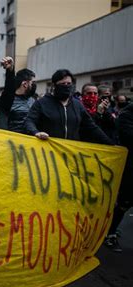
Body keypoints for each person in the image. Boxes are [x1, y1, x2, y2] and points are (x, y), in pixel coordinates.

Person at [25, 69, 114, 145]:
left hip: (71, 153)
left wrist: (110, 143)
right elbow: (29, 121)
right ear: (54, 85)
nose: (66, 86)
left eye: (69, 84)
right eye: (63, 84)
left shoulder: (77, 105)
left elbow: (91, 127)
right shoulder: (41, 103)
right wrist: (36, 132)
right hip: (48, 152)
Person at [104, 101, 133, 252]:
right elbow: (128, 137)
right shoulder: (127, 115)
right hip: (130, 168)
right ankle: (110, 233)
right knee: (123, 203)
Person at [8, 68, 36, 133]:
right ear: (25, 84)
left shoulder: (32, 100)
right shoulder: (9, 101)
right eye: (33, 83)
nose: (34, 85)